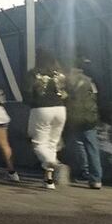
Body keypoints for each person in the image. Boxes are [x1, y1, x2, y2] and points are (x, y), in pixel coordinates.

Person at [25, 50, 68, 190]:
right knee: (52, 144)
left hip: (42, 109)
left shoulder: (34, 73)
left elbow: (27, 93)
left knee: (38, 144)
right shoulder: (59, 73)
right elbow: (66, 93)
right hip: (60, 110)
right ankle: (49, 180)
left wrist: (31, 102)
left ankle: (54, 163)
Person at [64, 58, 102, 189]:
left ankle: (83, 172)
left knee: (77, 144)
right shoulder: (90, 81)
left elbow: (63, 97)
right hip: (89, 118)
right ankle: (96, 179)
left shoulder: (67, 80)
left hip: (74, 118)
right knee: (92, 148)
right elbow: (96, 97)